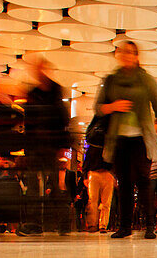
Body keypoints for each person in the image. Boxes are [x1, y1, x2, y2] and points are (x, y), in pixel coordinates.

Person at [94, 39, 157, 240]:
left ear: (137, 56)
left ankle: (149, 225)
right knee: (124, 183)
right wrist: (113, 106)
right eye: (123, 52)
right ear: (118, 55)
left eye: (131, 52)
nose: (127, 55)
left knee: (144, 181)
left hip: (141, 138)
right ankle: (125, 226)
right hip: (118, 139)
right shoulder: (111, 80)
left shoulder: (146, 80)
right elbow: (98, 107)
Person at [18, 57, 72, 237]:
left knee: (55, 185)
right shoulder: (33, 92)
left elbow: (63, 118)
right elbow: (28, 121)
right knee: (34, 186)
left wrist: (62, 144)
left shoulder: (55, 90)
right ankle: (34, 223)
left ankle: (63, 222)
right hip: (35, 145)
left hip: (51, 144)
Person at [83, 141, 115, 232]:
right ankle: (93, 224)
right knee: (93, 200)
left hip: (106, 173)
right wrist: (85, 176)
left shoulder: (109, 146)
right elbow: (87, 162)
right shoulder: (95, 147)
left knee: (105, 201)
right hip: (95, 173)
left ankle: (102, 225)